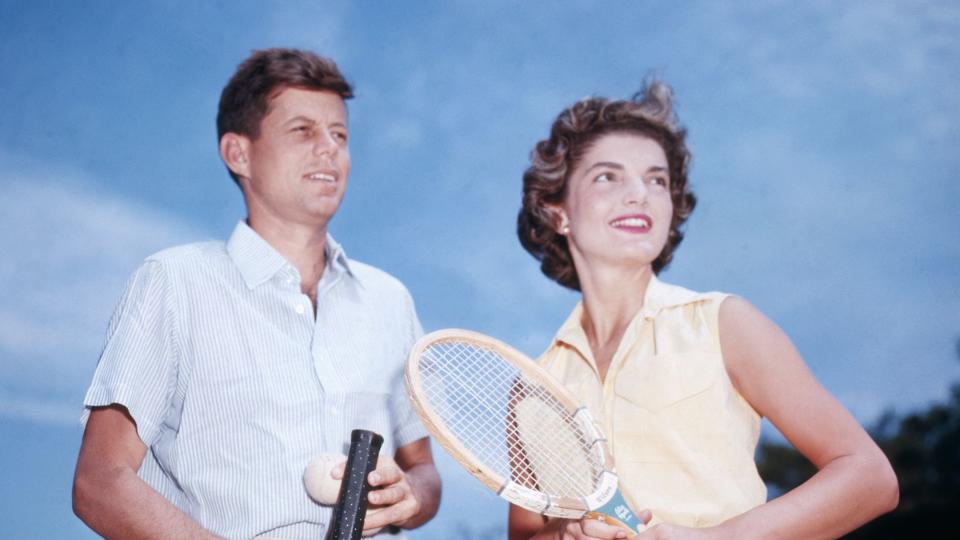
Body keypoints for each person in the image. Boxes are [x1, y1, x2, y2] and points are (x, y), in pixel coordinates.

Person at [72, 48, 441, 539]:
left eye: (340, 135)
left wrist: (410, 497)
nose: (329, 148)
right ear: (238, 153)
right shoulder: (174, 283)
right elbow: (101, 481)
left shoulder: (390, 301)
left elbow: (424, 471)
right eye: (302, 131)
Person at [510, 81, 898, 539]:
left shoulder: (725, 323)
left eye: (656, 180)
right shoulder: (530, 388)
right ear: (558, 213)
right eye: (607, 176)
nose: (640, 194)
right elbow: (525, 535)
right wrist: (566, 535)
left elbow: (871, 478)